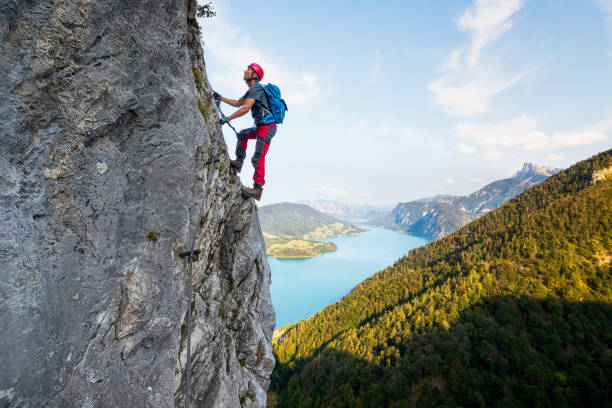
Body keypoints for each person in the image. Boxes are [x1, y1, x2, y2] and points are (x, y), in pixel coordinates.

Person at [213, 63, 276, 201]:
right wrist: (220, 97)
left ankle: (258, 189)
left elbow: (246, 108)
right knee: (242, 135)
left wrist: (227, 118)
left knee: (258, 157)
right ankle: (239, 163)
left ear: (254, 75)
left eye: (248, 70)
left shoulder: (256, 89)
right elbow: (238, 103)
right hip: (261, 126)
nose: (245, 71)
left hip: (267, 126)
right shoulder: (252, 90)